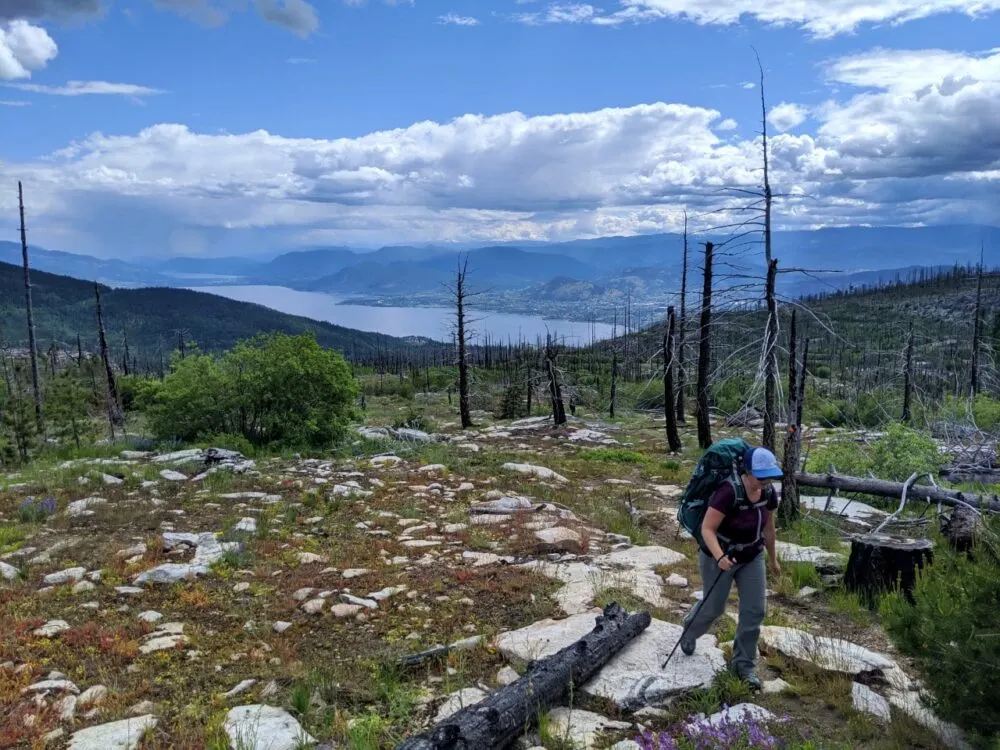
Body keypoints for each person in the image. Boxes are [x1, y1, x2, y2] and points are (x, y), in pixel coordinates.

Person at [678, 445, 783, 690]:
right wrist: (719, 556)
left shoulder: (768, 493)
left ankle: (743, 666)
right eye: (761, 476)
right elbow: (707, 529)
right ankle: (690, 630)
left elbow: (768, 528)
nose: (766, 481)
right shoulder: (728, 491)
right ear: (748, 471)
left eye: (770, 476)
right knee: (714, 607)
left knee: (754, 611)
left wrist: (774, 559)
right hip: (721, 555)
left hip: (752, 555)